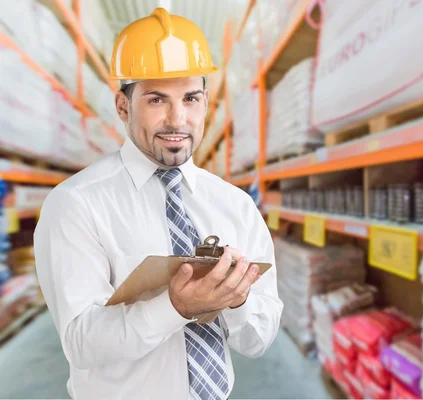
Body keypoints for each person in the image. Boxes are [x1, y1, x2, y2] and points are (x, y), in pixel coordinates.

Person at [34, 8, 282, 400]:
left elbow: (257, 341)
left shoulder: (235, 205)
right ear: (123, 107)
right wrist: (175, 307)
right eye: (156, 99)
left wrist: (238, 298)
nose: (177, 119)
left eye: (191, 98)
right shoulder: (75, 204)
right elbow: (81, 343)